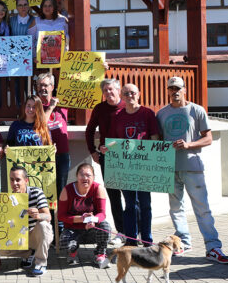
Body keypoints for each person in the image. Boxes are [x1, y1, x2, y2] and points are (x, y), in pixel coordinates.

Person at [157, 76, 228, 264]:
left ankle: (213, 247)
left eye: (178, 88)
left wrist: (189, 145)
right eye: (171, 88)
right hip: (170, 168)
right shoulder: (161, 114)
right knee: (176, 209)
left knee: (202, 209)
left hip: (193, 167)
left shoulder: (196, 110)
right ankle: (183, 243)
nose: (174, 92)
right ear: (167, 91)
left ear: (185, 90)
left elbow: (207, 138)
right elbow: (156, 140)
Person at [100, 83, 159, 246]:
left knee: (145, 204)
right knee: (130, 204)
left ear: (138, 94)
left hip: (144, 167)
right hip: (125, 168)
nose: (129, 96)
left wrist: (155, 161)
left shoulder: (147, 113)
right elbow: (114, 142)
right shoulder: (118, 116)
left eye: (132, 93)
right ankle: (131, 240)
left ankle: (147, 239)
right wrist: (106, 148)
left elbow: (155, 137)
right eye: (126, 93)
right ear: (122, 96)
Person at [0, 166, 53, 276]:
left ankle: (41, 263)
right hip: (18, 237)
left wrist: (38, 215)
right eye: (12, 180)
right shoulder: (8, 198)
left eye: (18, 179)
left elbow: (48, 216)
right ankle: (29, 254)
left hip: (34, 235)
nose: (14, 183)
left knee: (44, 225)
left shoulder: (36, 193)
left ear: (26, 180)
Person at [85, 78, 124, 246]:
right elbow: (90, 130)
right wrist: (92, 151)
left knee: (133, 199)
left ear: (118, 90)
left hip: (130, 160)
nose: (108, 93)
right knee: (114, 197)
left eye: (111, 89)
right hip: (108, 158)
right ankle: (121, 232)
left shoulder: (127, 106)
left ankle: (134, 231)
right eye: (105, 90)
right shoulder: (100, 108)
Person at [58, 163, 112, 269]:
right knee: (64, 242)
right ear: (77, 176)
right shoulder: (67, 190)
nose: (85, 178)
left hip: (92, 227)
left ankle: (100, 253)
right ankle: (72, 252)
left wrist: (93, 220)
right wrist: (81, 219)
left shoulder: (98, 188)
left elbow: (102, 213)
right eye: (82, 175)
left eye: (88, 175)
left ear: (93, 177)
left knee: (106, 227)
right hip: (73, 228)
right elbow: (61, 216)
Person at [36, 72, 69, 195]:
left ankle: (59, 215)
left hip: (62, 154)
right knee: (44, 192)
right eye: (39, 85)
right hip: (43, 155)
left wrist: (100, 70)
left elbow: (86, 93)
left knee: (61, 191)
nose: (42, 88)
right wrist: (50, 107)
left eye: (45, 85)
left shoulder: (63, 103)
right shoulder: (34, 105)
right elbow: (41, 126)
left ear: (52, 87)